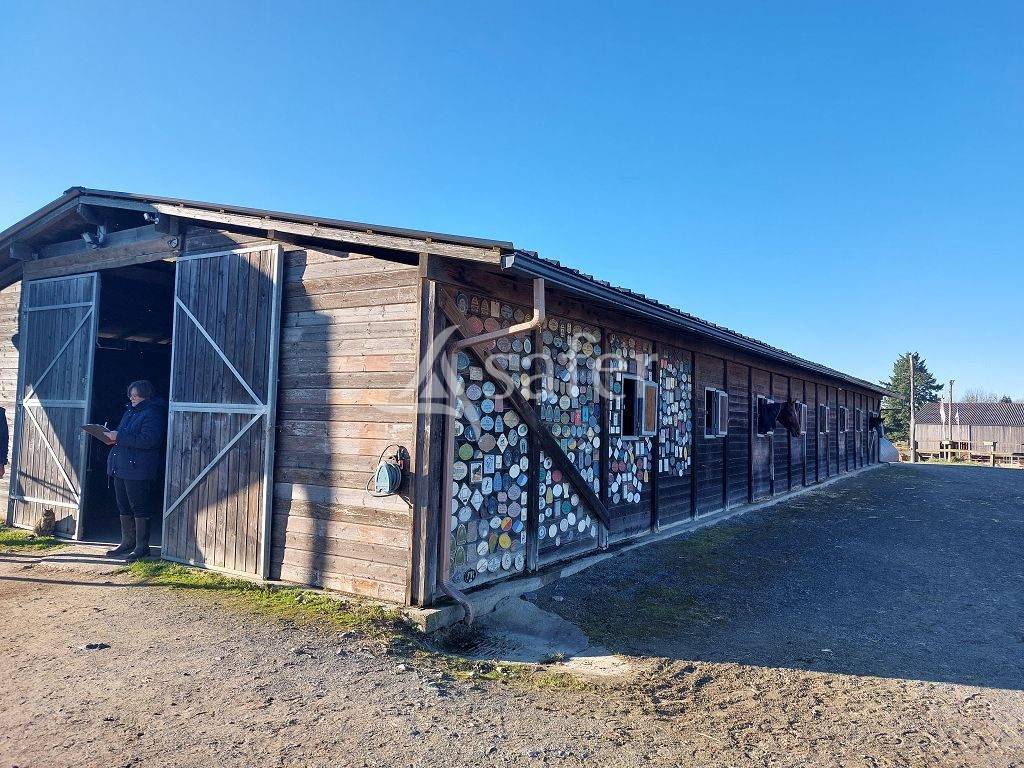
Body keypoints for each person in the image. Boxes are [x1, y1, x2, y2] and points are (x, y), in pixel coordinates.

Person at [104, 380, 166, 561]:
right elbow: (126, 437)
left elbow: (150, 440)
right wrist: (111, 436)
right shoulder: (130, 411)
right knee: (123, 506)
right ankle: (127, 542)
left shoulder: (152, 414)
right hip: (120, 466)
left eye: (135, 395)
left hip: (138, 468)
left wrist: (120, 436)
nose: (132, 398)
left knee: (139, 507)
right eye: (131, 394)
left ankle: (142, 546)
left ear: (145, 396)